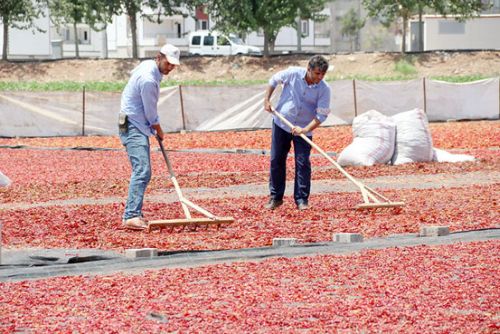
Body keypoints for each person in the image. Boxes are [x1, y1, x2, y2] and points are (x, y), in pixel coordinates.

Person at [118, 44, 180, 230]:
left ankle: (134, 212)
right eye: (168, 63)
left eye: (173, 65)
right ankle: (131, 215)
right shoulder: (148, 80)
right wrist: (158, 129)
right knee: (142, 170)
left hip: (135, 123)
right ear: (159, 57)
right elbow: (150, 111)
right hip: (133, 125)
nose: (170, 68)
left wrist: (152, 127)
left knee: (142, 170)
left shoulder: (147, 67)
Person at [263, 55, 331, 210]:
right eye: (317, 73)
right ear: (309, 69)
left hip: (304, 129)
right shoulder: (293, 73)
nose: (319, 77)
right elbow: (273, 80)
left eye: (322, 74)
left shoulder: (324, 89)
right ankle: (276, 197)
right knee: (277, 160)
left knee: (303, 163)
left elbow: (321, 115)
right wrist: (266, 100)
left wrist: (305, 129)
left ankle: (301, 200)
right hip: (282, 123)